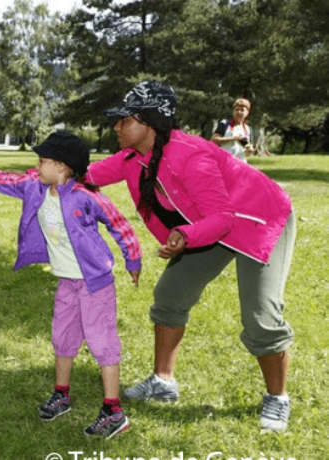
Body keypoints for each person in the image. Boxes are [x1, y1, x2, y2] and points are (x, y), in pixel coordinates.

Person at [86, 81, 295, 432]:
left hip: (259, 219)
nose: (117, 127)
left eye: (125, 120)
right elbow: (86, 175)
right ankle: (164, 382)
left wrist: (185, 235)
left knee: (260, 316)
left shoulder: (191, 155)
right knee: (171, 295)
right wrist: (44, 172)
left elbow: (223, 218)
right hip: (206, 226)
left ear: (149, 123)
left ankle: (277, 397)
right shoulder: (131, 158)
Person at [0, 131, 142, 439]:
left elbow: (119, 224)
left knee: (102, 343)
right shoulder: (35, 188)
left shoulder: (86, 196)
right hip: (67, 282)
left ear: (62, 167)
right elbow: (2, 179)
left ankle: (113, 411)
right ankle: (61, 394)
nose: (37, 167)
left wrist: (133, 261)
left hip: (95, 283)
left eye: (43, 161)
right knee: (62, 338)